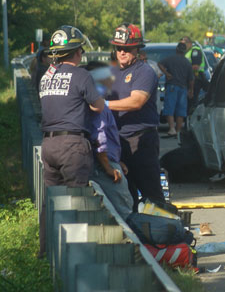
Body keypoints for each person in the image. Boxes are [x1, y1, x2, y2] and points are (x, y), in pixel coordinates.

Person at [38, 25, 104, 256]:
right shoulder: (81, 75)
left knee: (51, 202)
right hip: (72, 146)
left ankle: (45, 251)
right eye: (81, 50)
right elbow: (97, 106)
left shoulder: (46, 77)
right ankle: (77, 256)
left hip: (49, 144)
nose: (82, 54)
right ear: (77, 52)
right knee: (77, 201)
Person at [106, 22, 164, 209]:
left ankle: (163, 233)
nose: (122, 52)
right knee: (125, 197)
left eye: (127, 48)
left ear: (137, 49)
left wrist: (104, 105)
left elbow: (136, 101)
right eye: (119, 48)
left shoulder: (144, 71)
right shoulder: (112, 73)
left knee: (151, 195)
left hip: (141, 140)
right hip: (118, 142)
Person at [86, 61, 134, 219]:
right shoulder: (96, 104)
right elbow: (98, 137)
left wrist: (116, 161)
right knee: (124, 209)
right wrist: (108, 166)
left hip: (107, 161)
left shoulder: (96, 101)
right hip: (102, 167)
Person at [158, 42, 194, 137]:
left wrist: (166, 73)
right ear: (185, 51)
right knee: (180, 111)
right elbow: (191, 79)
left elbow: (159, 64)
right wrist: (191, 90)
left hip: (172, 87)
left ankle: (172, 128)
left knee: (169, 108)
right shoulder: (187, 62)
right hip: (183, 88)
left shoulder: (170, 59)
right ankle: (178, 131)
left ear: (177, 50)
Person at [180, 36, 210, 111]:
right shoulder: (187, 52)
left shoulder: (195, 51)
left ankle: (191, 118)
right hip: (190, 79)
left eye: (184, 45)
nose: (182, 47)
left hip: (196, 78)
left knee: (192, 102)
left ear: (189, 43)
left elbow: (195, 67)